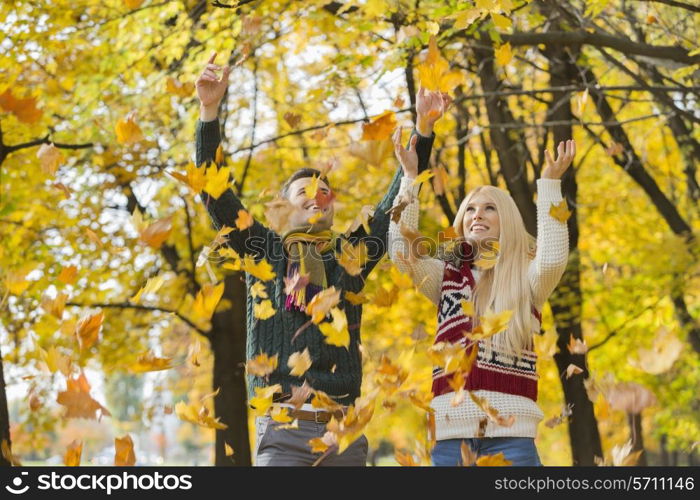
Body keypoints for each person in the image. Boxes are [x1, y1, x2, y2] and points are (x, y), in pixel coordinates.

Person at [194, 52, 449, 466]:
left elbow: (389, 210)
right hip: (283, 431)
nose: (316, 197)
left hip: (343, 433)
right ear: (284, 207)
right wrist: (209, 111)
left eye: (324, 192)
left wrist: (423, 130)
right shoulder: (265, 250)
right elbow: (215, 194)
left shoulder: (349, 257)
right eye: (304, 193)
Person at [389, 132, 575, 466]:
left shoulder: (527, 278)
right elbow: (402, 250)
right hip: (451, 441)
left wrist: (548, 184)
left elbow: (552, 258)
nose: (477, 214)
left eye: (490, 208)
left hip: (512, 440)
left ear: (509, 221)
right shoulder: (446, 277)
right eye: (470, 209)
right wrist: (410, 179)